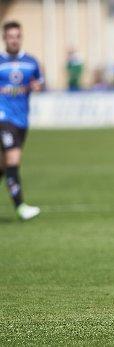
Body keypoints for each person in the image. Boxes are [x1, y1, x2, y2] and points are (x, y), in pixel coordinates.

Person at [0, 21, 42, 221]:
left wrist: (36, 86)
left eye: (17, 36)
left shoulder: (31, 62)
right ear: (4, 38)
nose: (14, 40)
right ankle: (20, 207)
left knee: (3, 165)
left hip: (21, 119)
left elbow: (40, 81)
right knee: (13, 160)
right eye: (10, 36)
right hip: (3, 118)